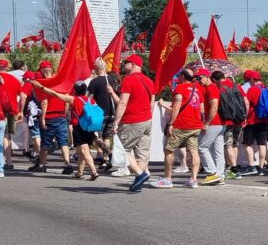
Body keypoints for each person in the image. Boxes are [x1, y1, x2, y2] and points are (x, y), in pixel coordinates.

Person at [32, 80, 102, 180]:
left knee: (85, 151)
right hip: (89, 128)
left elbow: (55, 94)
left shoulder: (74, 99)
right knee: (81, 151)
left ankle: (94, 172)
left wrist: (42, 87)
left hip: (79, 128)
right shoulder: (91, 100)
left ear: (75, 90)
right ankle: (80, 173)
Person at [109, 55, 156, 192]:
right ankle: (138, 181)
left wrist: (116, 122)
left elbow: (123, 102)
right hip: (146, 121)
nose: (123, 65)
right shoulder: (149, 81)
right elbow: (151, 103)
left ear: (133, 64)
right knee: (142, 153)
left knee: (122, 150)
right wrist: (148, 118)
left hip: (132, 121)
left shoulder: (129, 80)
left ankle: (140, 174)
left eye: (126, 63)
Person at [153, 68, 204, 188]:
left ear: (182, 76)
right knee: (194, 152)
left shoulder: (180, 88)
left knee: (169, 150)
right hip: (195, 125)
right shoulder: (198, 89)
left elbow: (176, 106)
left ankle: (168, 178)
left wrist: (171, 123)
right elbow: (202, 109)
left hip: (181, 125)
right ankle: (193, 179)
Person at [196, 69, 228, 186]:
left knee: (202, 147)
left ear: (206, 77)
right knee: (218, 150)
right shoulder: (214, 88)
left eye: (200, 78)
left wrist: (206, 123)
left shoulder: (211, 88)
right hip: (220, 123)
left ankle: (212, 173)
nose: (198, 80)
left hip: (214, 123)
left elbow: (214, 107)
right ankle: (219, 175)